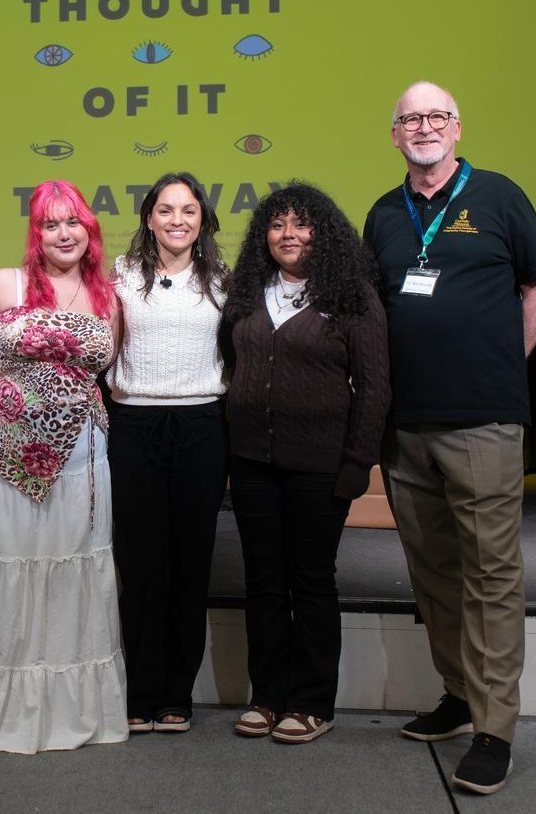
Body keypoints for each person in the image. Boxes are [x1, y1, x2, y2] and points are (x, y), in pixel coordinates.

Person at [363, 80, 536, 795]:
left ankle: (494, 729)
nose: (424, 127)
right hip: (405, 425)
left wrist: (501, 368)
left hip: (483, 421)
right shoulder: (384, 213)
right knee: (433, 573)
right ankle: (459, 694)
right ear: (394, 134)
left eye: (436, 116)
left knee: (491, 575)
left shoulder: (500, 196)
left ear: (457, 127)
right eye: (411, 118)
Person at [0, 180, 129, 753]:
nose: (64, 234)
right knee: (10, 566)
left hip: (83, 459)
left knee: (72, 572)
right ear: (35, 233)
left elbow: (112, 374)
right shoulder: (3, 284)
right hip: (6, 457)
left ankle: (70, 708)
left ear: (89, 229)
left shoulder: (109, 297)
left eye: (73, 222)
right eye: (50, 223)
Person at [220, 183, 390, 744]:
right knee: (264, 580)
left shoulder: (352, 296)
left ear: (324, 232)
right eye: (277, 225)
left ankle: (313, 702)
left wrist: (358, 463)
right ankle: (267, 696)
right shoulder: (249, 292)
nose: (288, 235)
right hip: (252, 463)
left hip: (320, 466)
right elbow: (232, 363)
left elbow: (374, 387)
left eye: (301, 224)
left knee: (311, 580)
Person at [107, 172, 230, 733]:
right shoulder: (120, 276)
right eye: (165, 210)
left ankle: (177, 694)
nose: (177, 220)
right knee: (139, 562)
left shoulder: (224, 281)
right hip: (134, 424)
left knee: (190, 561)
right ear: (149, 218)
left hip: (202, 426)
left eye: (188, 210)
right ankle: (141, 692)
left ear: (202, 219)